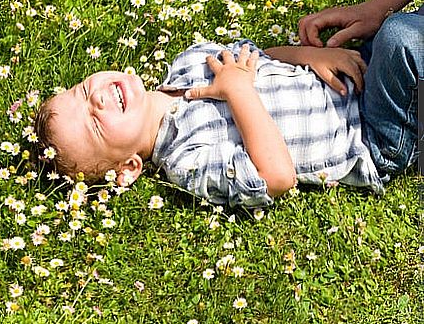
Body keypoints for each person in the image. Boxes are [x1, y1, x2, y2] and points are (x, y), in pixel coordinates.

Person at [35, 35, 403, 208]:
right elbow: (276, 177)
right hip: (370, 134)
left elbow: (260, 57)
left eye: (84, 91)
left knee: (397, 31)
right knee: (401, 40)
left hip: (355, 68)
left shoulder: (188, 62)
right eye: (94, 124)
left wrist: (312, 56)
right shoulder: (187, 162)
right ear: (129, 167)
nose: (97, 99)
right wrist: (237, 91)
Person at [298, 0, 423, 176]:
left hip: (380, 132)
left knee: (401, 37)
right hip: (374, 73)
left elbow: (276, 177)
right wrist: (375, 8)